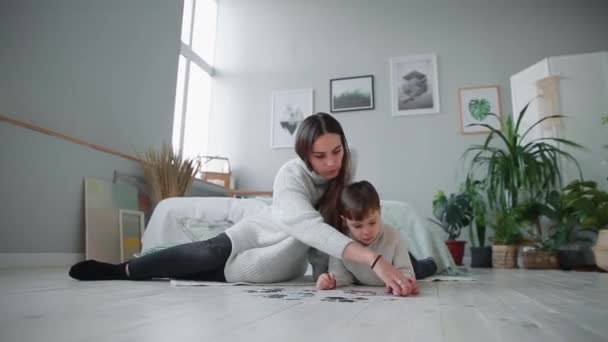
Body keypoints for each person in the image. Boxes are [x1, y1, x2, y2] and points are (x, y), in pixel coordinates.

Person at [69, 113, 436, 296]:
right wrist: (373, 260)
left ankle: (424, 264)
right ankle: (122, 270)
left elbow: (340, 223)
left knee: (203, 277)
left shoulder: (344, 168)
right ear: (304, 155)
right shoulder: (289, 176)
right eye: (320, 156)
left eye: (337, 151)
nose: (332, 163)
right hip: (258, 236)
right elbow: (309, 227)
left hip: (285, 261)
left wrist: (341, 272)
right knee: (205, 255)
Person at [316, 181, 418, 296]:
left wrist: (407, 280)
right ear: (345, 221)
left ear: (380, 212)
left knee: (423, 268)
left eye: (372, 222)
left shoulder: (394, 236)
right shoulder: (341, 241)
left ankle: (430, 263)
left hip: (409, 262)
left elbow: (405, 271)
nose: (366, 232)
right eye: (357, 226)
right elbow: (342, 275)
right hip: (365, 275)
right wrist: (330, 280)